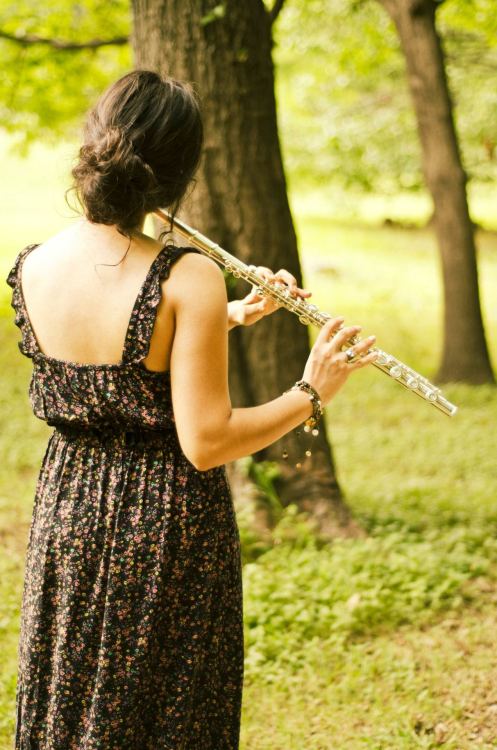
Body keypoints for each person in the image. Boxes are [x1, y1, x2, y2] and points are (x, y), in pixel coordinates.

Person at [6, 69, 378, 750]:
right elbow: (207, 441)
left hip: (69, 509)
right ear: (182, 171)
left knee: (78, 701)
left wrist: (228, 317)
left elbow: (118, 366)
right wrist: (312, 389)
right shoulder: (186, 275)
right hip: (165, 525)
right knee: (168, 713)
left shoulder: (34, 264)